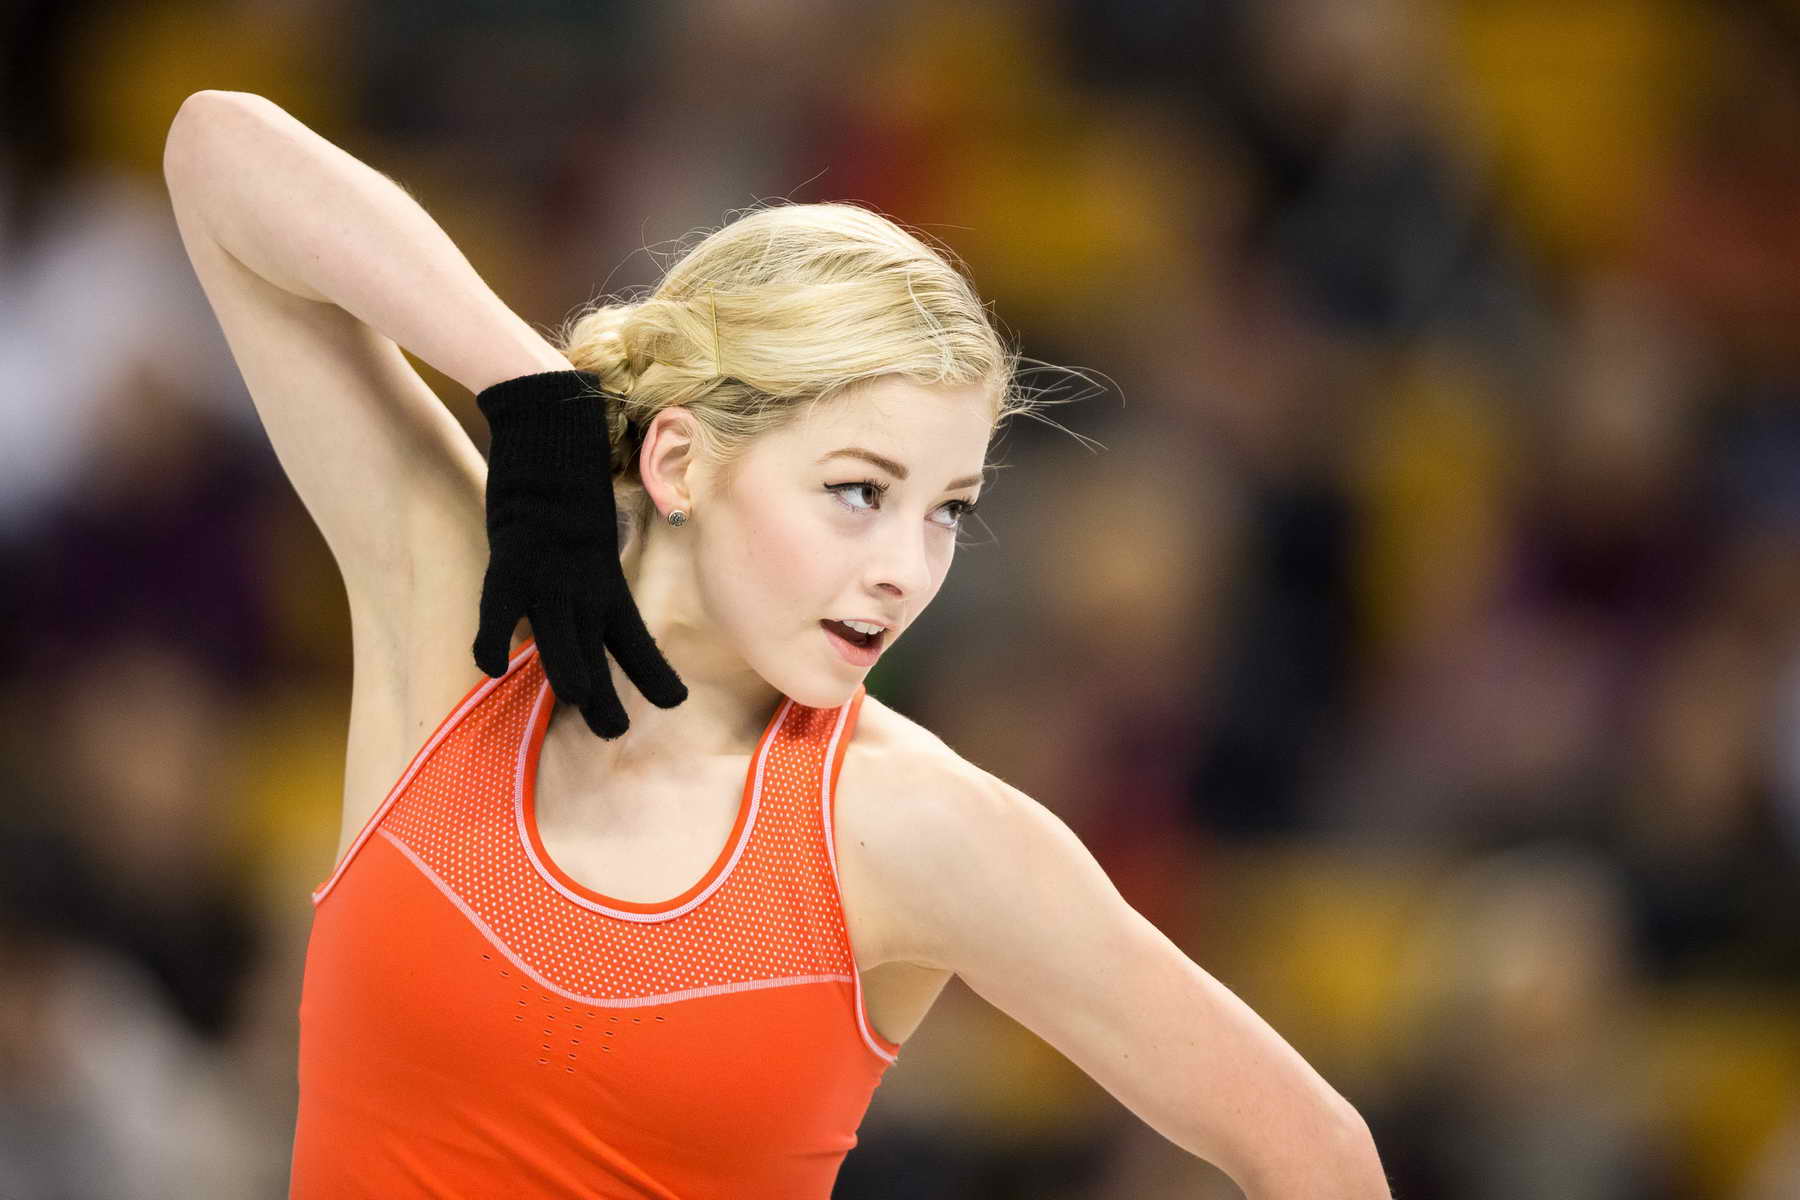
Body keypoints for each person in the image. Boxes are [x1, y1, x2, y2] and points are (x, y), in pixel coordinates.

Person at [162, 89, 1392, 1199]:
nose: (907, 570)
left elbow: (1320, 1159)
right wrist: (533, 386)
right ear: (681, 458)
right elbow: (219, 152)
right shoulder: (459, 622)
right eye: (860, 491)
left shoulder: (909, 824)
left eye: (948, 510)